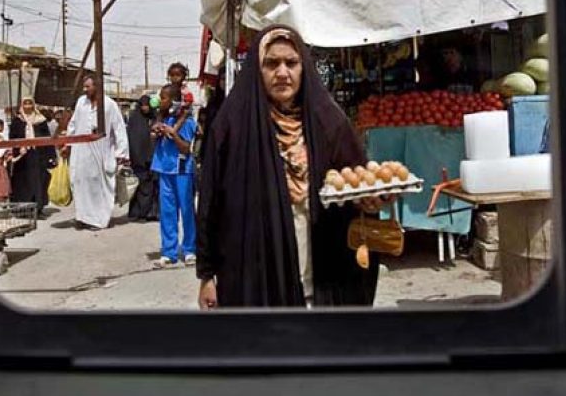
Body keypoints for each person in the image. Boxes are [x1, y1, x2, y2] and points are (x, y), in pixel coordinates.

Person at [196, 25, 387, 309]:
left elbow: (358, 183)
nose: (282, 73)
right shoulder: (231, 126)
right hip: (256, 277)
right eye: (271, 64)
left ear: (304, 68)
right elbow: (211, 204)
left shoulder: (330, 124)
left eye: (291, 63)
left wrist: (373, 200)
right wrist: (207, 275)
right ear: (256, 69)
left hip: (323, 272)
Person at [65, 75, 129, 230]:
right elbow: (73, 124)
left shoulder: (109, 105)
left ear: (97, 87)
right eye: (84, 87)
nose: (85, 90)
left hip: (102, 150)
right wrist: (67, 143)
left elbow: (119, 128)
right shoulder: (81, 102)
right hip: (81, 151)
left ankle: (99, 219)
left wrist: (121, 153)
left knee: (98, 185)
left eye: (88, 87)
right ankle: (82, 217)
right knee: (79, 183)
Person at [151, 85, 198, 267]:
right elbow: (153, 140)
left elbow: (186, 148)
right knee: (167, 212)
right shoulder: (164, 119)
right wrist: (157, 132)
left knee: (186, 210)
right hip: (165, 170)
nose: (160, 101)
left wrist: (173, 135)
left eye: (163, 98)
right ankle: (169, 251)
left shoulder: (187, 122)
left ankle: (189, 249)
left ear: (173, 101)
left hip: (182, 171)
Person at [8, 97, 54, 209]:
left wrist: (51, 156)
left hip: (38, 155)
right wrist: (18, 148)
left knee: (39, 180)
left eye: (30, 103)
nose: (28, 106)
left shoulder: (40, 120)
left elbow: (47, 138)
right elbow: (12, 137)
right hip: (22, 156)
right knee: (22, 181)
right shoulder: (17, 120)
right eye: (25, 103)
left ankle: (38, 207)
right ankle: (22, 208)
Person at [125, 94, 159, 222]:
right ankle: (139, 212)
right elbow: (133, 139)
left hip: (153, 158)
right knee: (141, 185)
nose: (145, 108)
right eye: (143, 105)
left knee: (153, 185)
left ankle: (151, 213)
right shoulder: (135, 118)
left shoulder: (154, 117)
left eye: (147, 105)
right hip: (138, 158)